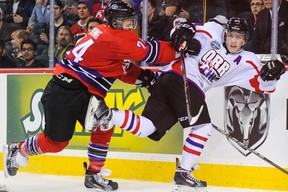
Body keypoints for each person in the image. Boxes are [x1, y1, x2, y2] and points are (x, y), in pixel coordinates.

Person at [3, 0, 194, 191]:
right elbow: (157, 53)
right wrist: (181, 43)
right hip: (66, 91)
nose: (131, 23)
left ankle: (94, 174)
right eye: (127, 20)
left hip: (81, 89)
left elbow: (120, 68)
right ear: (117, 22)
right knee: (57, 142)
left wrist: (146, 78)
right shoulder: (117, 38)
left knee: (105, 123)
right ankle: (18, 148)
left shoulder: (106, 33)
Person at [89, 17, 286, 190]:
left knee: (148, 128)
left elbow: (262, 87)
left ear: (245, 39)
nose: (233, 40)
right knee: (203, 127)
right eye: (231, 35)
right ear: (225, 33)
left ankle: (106, 113)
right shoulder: (211, 31)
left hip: (170, 84)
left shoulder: (247, 61)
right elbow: (180, 28)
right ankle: (184, 171)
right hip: (180, 77)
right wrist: (184, 33)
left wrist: (270, 76)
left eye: (239, 37)